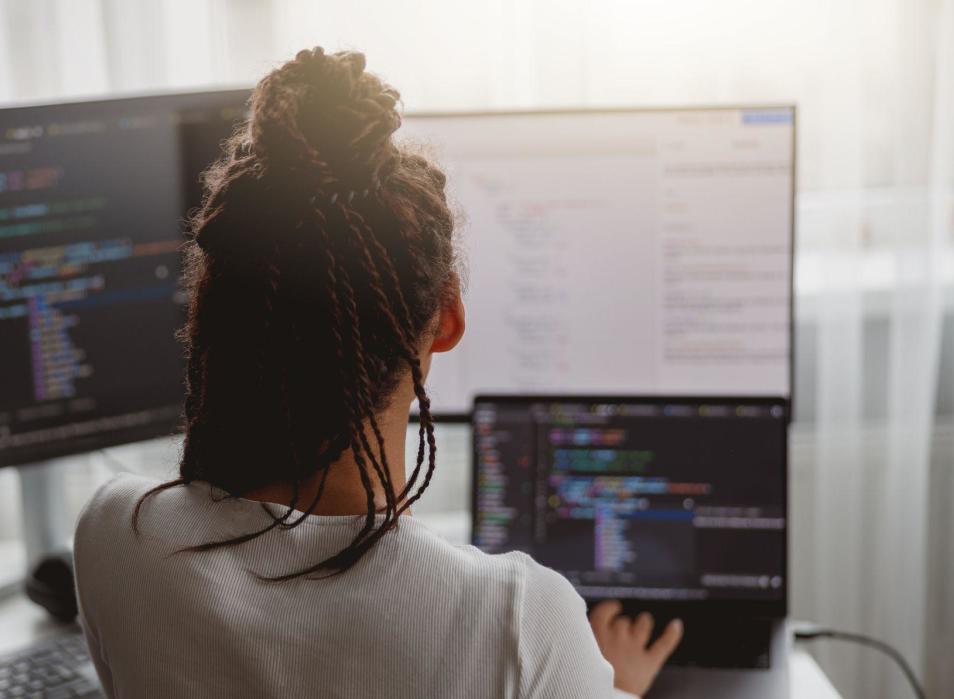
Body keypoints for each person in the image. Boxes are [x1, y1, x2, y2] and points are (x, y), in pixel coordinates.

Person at [73, 47, 682, 698]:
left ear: (218, 316)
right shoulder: (517, 621)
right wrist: (617, 685)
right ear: (447, 316)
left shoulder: (119, 535)